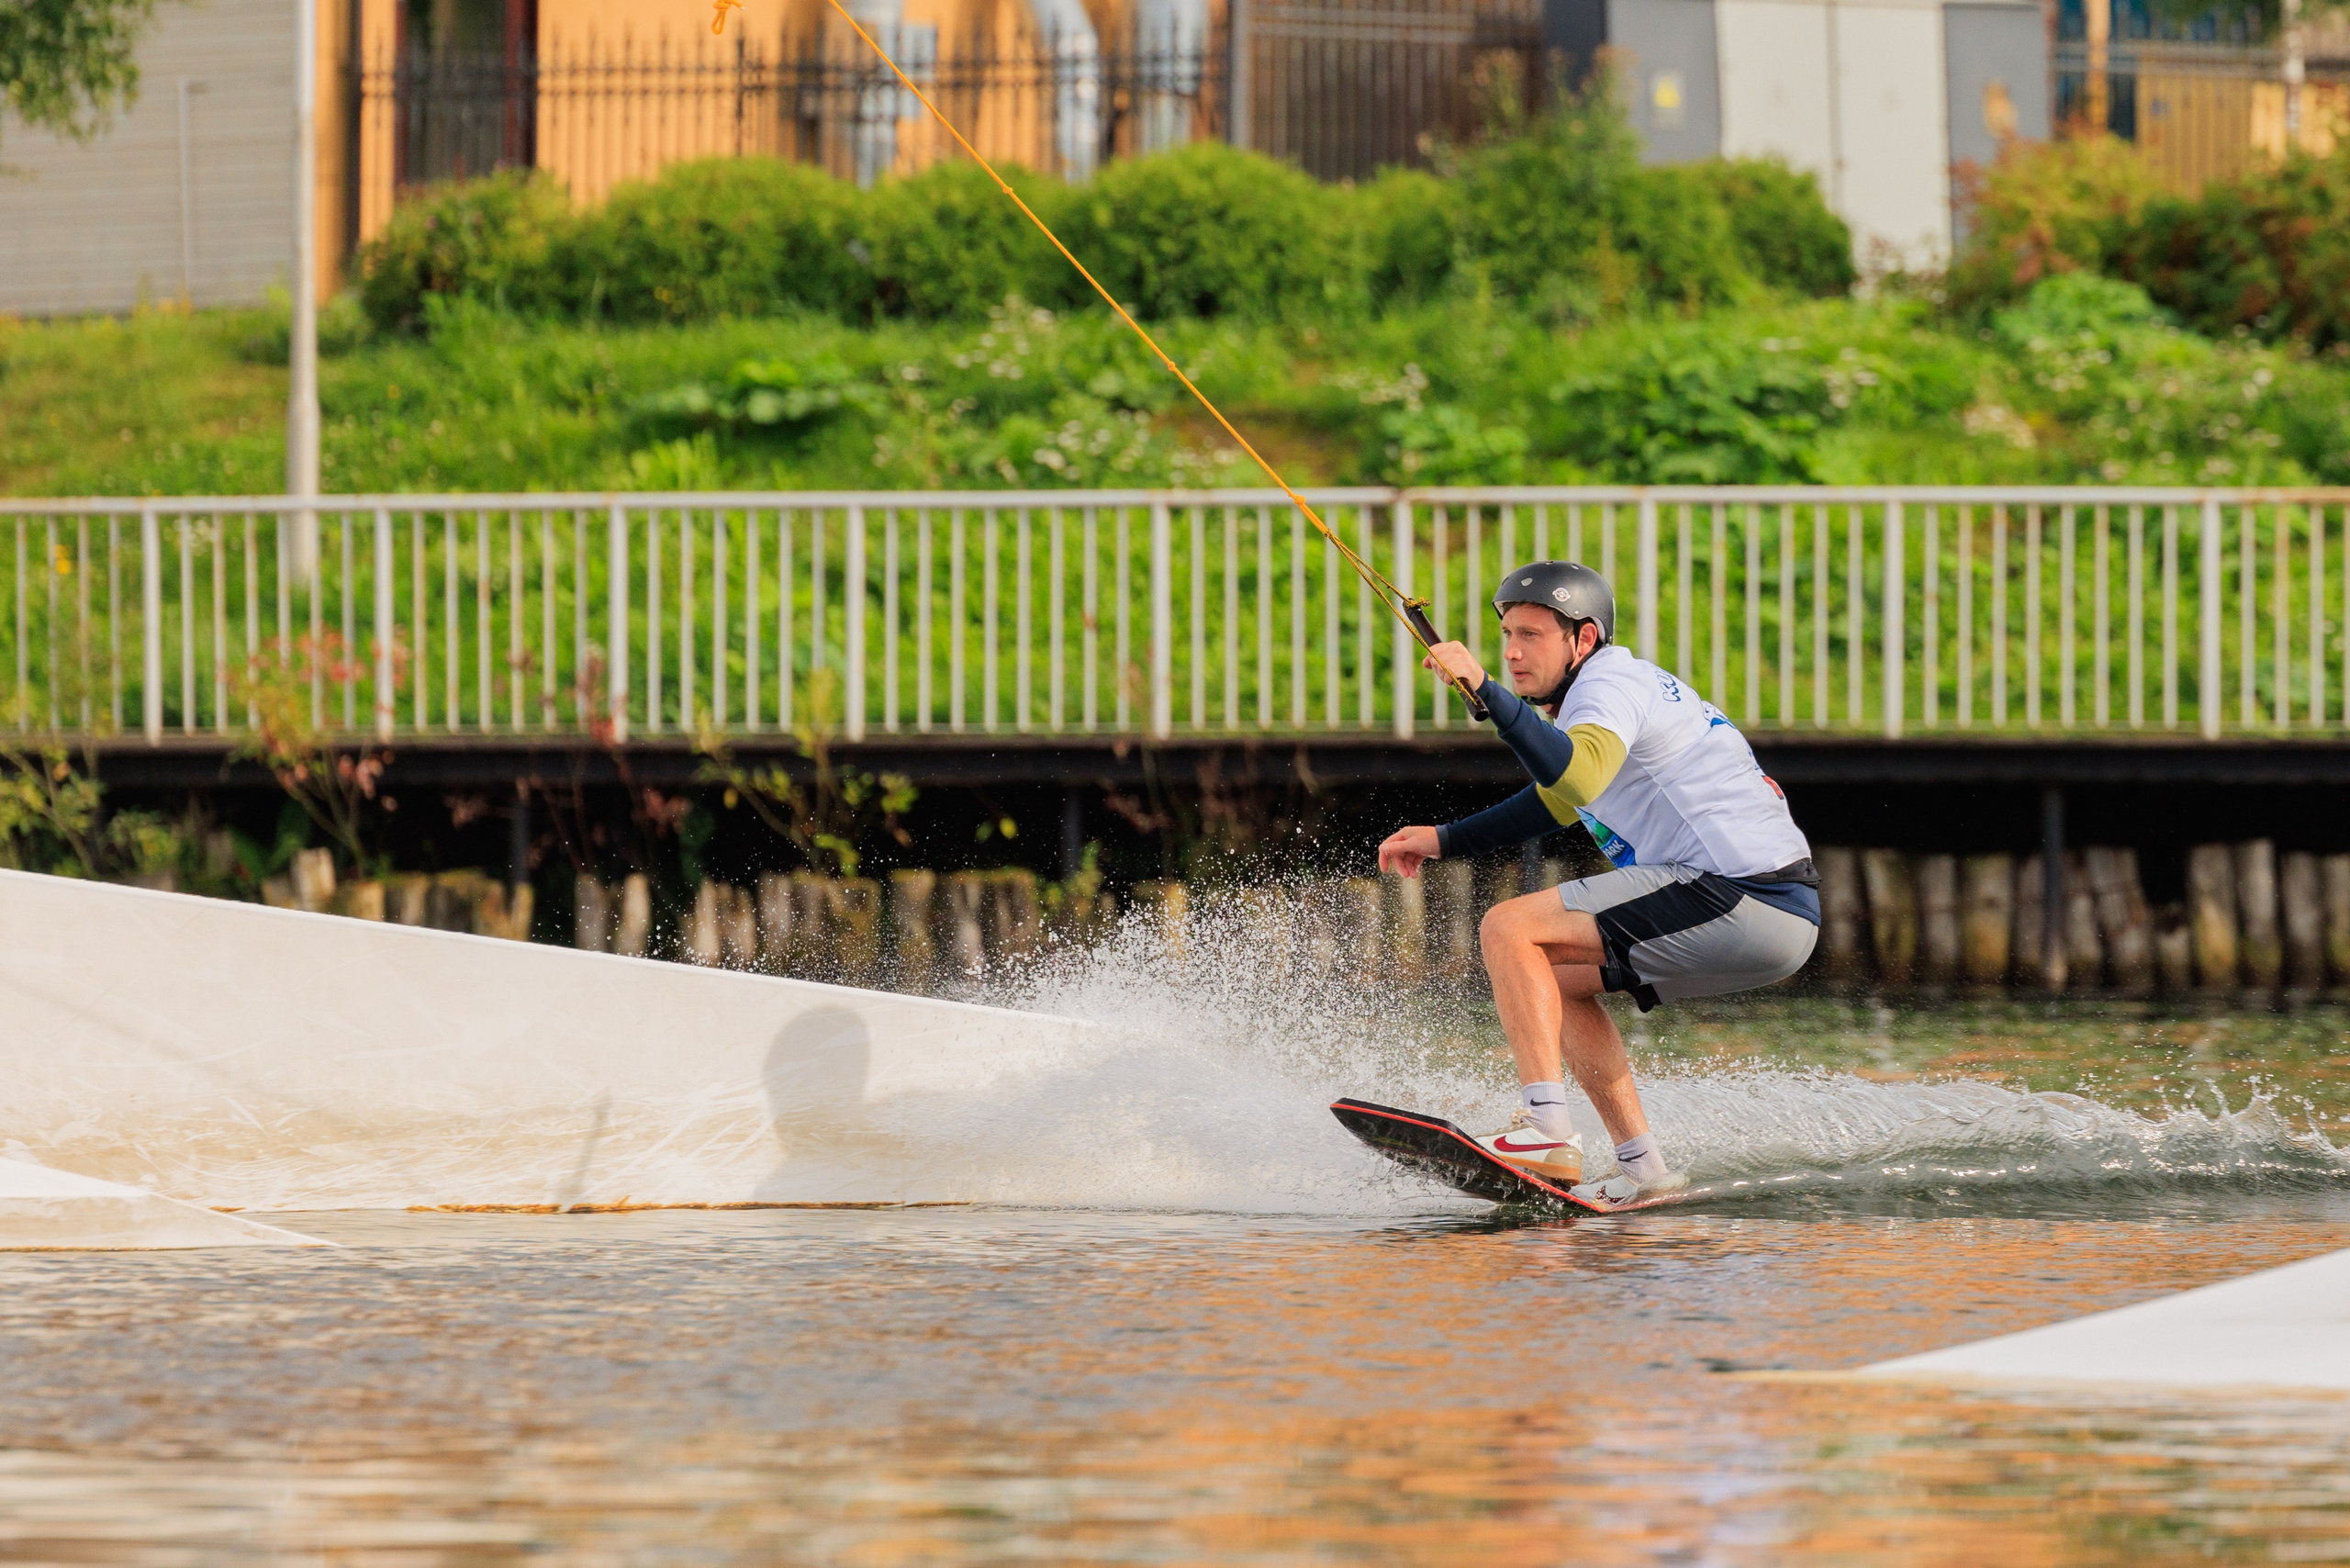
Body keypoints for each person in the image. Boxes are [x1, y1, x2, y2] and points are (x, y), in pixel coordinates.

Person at [1377, 562, 1819, 1206]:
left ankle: (1545, 1133)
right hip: (1773, 915)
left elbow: (1576, 781)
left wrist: (1486, 689)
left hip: (1740, 893)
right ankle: (1646, 1170)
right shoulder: (1602, 703)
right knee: (1551, 983)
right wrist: (1448, 839)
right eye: (1507, 635)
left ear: (1583, 640)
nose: (1512, 651)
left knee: (1508, 927)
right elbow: (1560, 802)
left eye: (1532, 635)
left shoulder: (1610, 684)